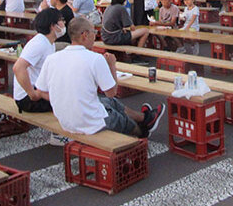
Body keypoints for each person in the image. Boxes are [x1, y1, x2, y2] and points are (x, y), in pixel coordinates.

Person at [35, 17, 164, 138]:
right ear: (85, 34)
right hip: (91, 123)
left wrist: (66, 99)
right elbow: (112, 92)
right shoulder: (95, 58)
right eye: (94, 32)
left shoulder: (52, 58)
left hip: (65, 119)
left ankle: (144, 118)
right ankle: (142, 132)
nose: (96, 36)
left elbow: (41, 90)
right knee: (124, 121)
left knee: (109, 104)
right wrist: (112, 66)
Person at [13, 8, 62, 114]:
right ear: (53, 26)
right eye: (61, 21)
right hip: (27, 98)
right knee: (68, 101)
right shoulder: (39, 43)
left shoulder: (49, 42)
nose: (64, 24)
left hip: (38, 89)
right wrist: (32, 94)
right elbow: (18, 68)